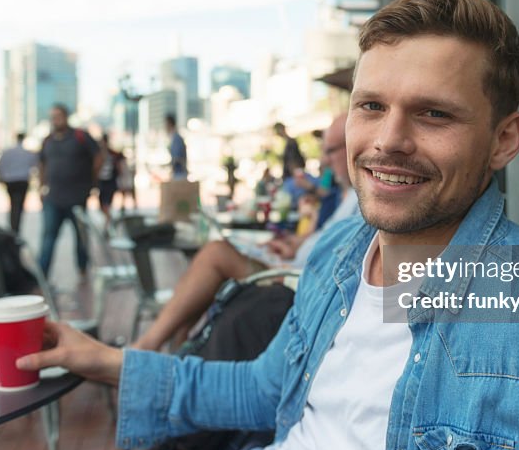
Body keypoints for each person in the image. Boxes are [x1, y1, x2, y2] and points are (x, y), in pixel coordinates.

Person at [0, 0, 519, 450]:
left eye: (432, 113)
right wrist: (104, 360)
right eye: (372, 106)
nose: (388, 140)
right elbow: (266, 391)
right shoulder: (341, 249)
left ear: (504, 140)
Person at [132, 113, 357, 352]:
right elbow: (328, 238)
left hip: (297, 279)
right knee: (213, 265)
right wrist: (295, 244)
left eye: (330, 150)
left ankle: (147, 347)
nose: (324, 160)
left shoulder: (365, 204)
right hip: (293, 266)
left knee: (216, 254)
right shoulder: (352, 197)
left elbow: (385, 300)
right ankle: (173, 355)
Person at [37, 104, 101, 279]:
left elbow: (98, 156)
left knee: (80, 237)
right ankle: (41, 274)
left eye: (58, 115)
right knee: (48, 237)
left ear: (66, 116)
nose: (55, 119)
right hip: (53, 198)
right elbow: (42, 164)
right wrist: (41, 187)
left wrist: (92, 180)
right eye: (53, 116)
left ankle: (82, 268)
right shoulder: (47, 140)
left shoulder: (81, 136)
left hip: (77, 197)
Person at [0, 132, 38, 235]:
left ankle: (13, 226)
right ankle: (16, 227)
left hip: (10, 182)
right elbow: (35, 166)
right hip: (22, 181)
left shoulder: (8, 152)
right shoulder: (27, 153)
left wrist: (2, 176)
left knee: (13, 203)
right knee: (19, 205)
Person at [96, 133, 122, 228]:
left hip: (110, 183)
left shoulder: (112, 154)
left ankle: (107, 225)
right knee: (102, 205)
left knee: (106, 204)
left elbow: (119, 168)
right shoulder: (98, 154)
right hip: (102, 183)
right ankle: (109, 220)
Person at [166, 114, 188, 180]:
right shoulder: (175, 138)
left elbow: (177, 158)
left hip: (179, 175)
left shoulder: (176, 139)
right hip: (179, 174)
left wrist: (169, 168)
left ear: (169, 124)